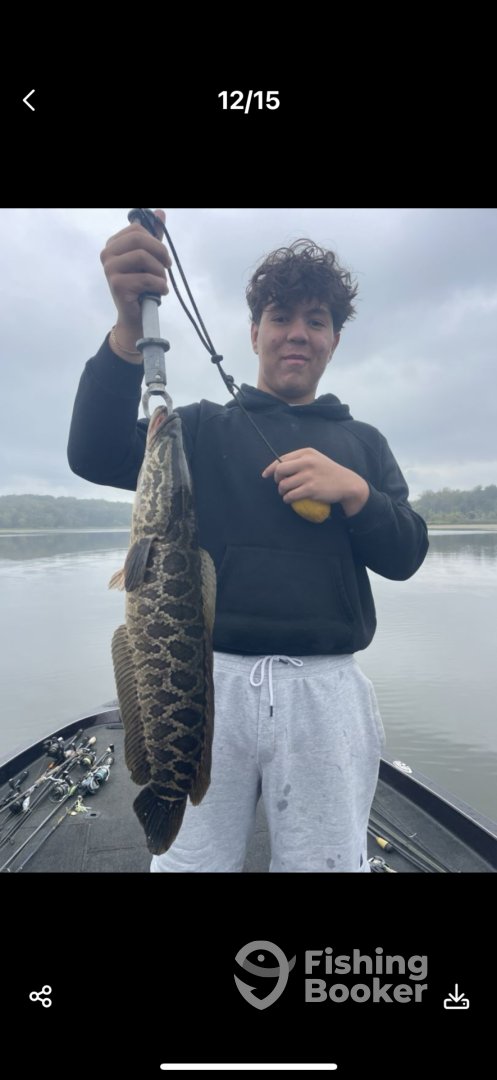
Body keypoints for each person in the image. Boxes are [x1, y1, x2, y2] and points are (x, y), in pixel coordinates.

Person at [68, 209, 429, 873]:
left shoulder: (364, 444)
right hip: (206, 682)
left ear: (334, 338)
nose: (297, 333)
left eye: (315, 320)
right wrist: (125, 331)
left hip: (325, 694)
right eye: (280, 317)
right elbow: (92, 452)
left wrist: (356, 493)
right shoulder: (198, 430)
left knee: (325, 865)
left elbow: (406, 554)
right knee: (190, 864)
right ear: (254, 331)